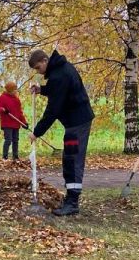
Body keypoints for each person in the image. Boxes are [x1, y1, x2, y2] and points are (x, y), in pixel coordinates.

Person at [28, 48, 94, 216]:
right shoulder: (61, 70)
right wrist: (41, 90)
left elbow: (53, 110)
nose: (38, 71)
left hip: (77, 123)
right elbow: (59, 91)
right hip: (75, 122)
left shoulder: (59, 74)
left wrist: (36, 132)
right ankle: (71, 199)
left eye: (38, 67)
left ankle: (72, 203)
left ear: (44, 61)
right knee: (70, 160)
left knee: (72, 160)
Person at [0, 81, 27, 161]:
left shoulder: (16, 100)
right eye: (14, 90)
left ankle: (15, 156)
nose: (15, 91)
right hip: (7, 123)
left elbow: (19, 113)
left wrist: (24, 122)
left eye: (16, 89)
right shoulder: (2, 98)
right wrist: (2, 109)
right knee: (8, 140)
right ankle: (5, 157)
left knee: (16, 140)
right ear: (9, 90)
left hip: (16, 123)